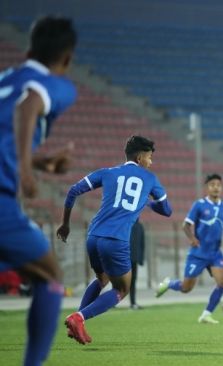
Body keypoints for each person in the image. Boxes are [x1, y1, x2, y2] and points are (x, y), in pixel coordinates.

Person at [0, 16, 77, 366]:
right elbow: (29, 105)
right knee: (49, 276)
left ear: (28, 49)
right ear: (68, 59)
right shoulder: (53, 84)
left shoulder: (5, 79)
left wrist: (41, 161)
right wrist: (27, 176)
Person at [56, 135, 172, 345]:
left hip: (93, 236)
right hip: (116, 240)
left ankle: (77, 323)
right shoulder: (150, 179)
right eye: (149, 157)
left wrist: (65, 224)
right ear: (139, 158)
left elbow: (73, 191)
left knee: (102, 279)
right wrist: (148, 203)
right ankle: (78, 318)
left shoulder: (107, 173)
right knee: (121, 289)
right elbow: (167, 210)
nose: (151, 162)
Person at [155, 173, 223, 324]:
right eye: (212, 185)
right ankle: (169, 283)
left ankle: (206, 314)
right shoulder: (199, 205)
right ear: (207, 188)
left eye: (218, 185)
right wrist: (192, 239)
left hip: (215, 253)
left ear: (221, 188)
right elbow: (185, 225)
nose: (215, 188)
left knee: (222, 282)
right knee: (186, 287)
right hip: (198, 253)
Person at [129, 219, 146, 309]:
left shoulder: (139, 226)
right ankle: (132, 303)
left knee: (131, 281)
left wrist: (141, 259)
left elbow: (142, 243)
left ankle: (133, 302)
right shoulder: (128, 224)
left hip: (131, 258)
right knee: (126, 281)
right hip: (127, 257)